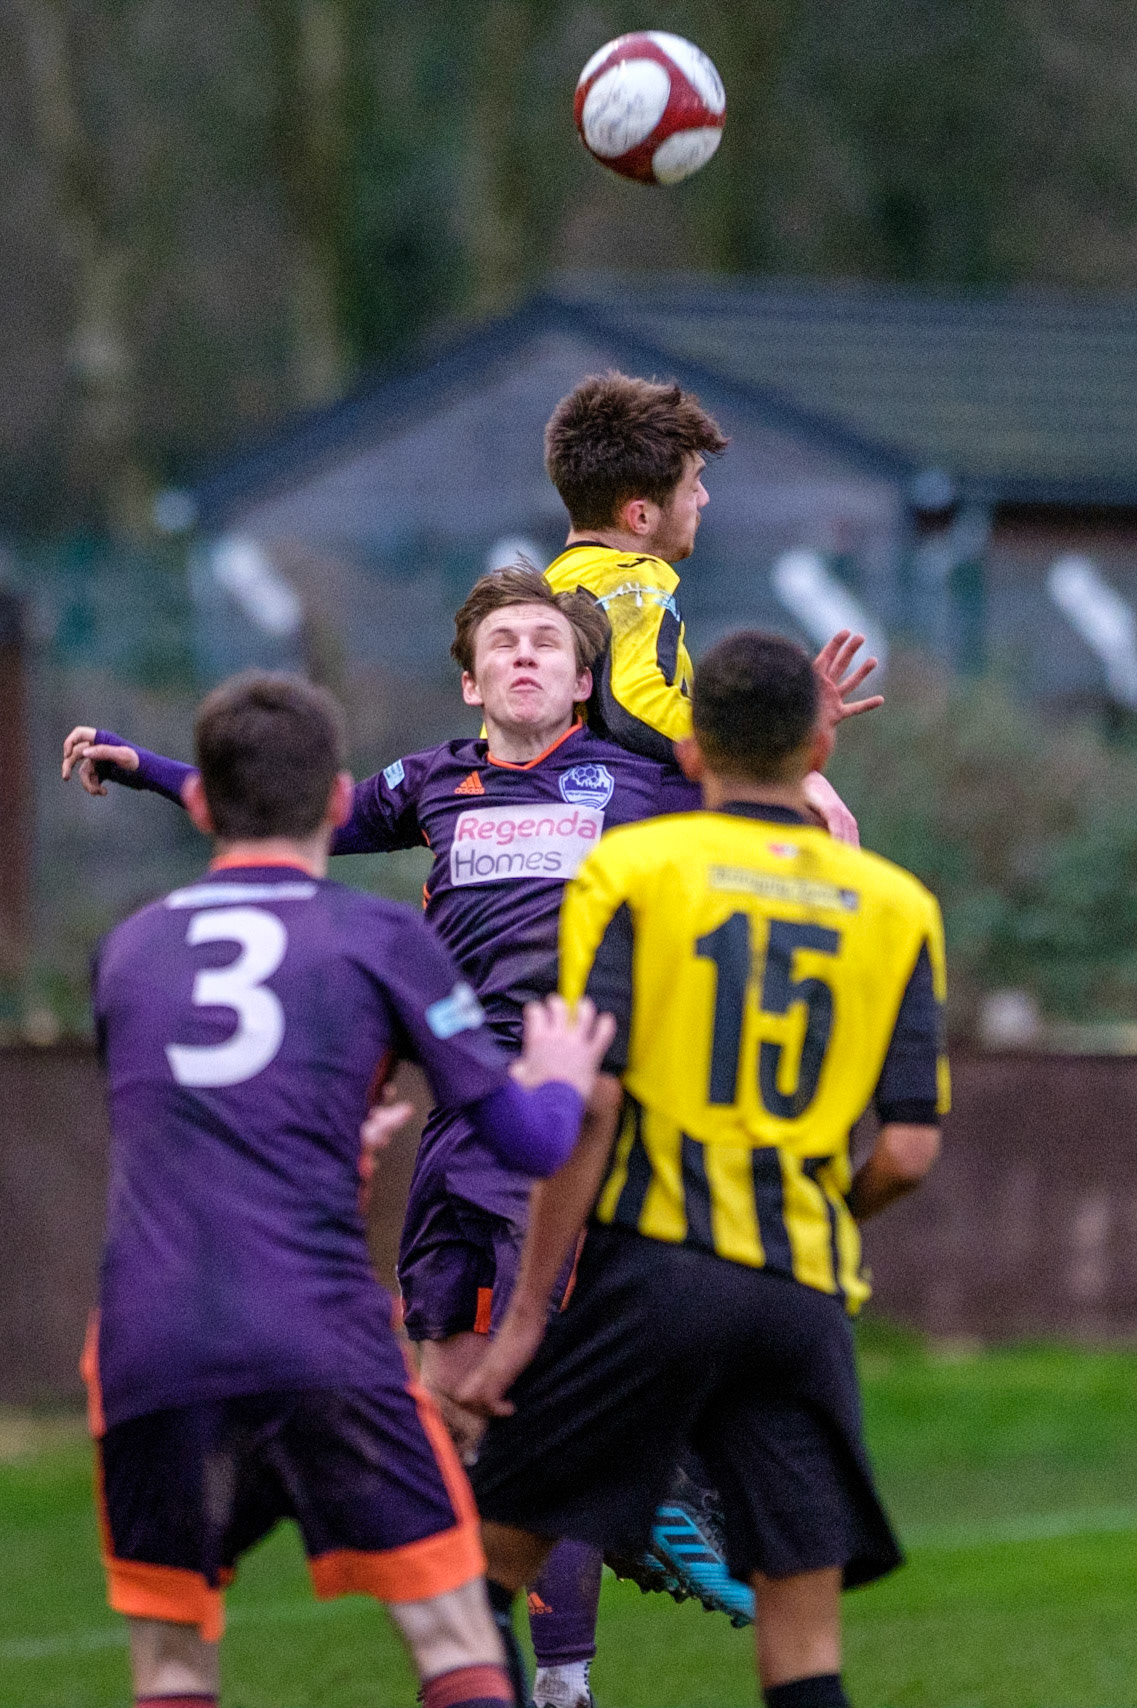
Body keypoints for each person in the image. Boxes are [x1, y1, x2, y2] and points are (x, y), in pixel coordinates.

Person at [62, 572, 879, 1708]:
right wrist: (145, 766)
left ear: (587, 681)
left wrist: (804, 750)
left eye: (550, 641)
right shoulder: (433, 781)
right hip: (469, 1111)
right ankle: (587, 1562)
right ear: (471, 676)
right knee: (455, 1399)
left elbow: (755, 810)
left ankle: (580, 1634)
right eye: (504, 642)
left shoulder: (640, 779)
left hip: (572, 1100)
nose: (529, 656)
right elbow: (286, 809)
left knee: (529, 1374)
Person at [81, 670, 616, 1708]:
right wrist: (556, 1080)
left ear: (199, 805)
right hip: (317, 1333)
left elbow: (190, 1123)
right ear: (337, 802)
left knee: (173, 1658)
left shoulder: (129, 951)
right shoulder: (378, 939)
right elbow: (528, 1137)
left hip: (151, 1341)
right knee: (457, 1628)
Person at [461, 630, 949, 1708]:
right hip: (801, 1293)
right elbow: (910, 1149)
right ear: (821, 742)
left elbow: (593, 1100)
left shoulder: (631, 869)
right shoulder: (897, 903)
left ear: (690, 757)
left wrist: (533, 1316)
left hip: (653, 1275)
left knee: (479, 1574)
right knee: (802, 1632)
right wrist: (830, 1213)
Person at [541, 370, 880, 842]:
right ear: (640, 515)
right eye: (692, 484)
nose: (703, 498)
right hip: (603, 836)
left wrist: (786, 722)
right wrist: (765, 764)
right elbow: (634, 705)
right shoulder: (632, 575)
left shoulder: (545, 586)